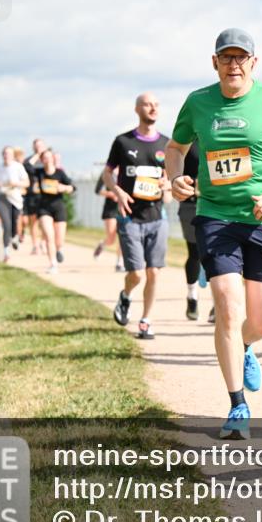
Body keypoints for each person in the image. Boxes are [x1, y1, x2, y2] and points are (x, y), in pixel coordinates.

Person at [167, 27, 262, 440]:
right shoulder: (198, 102)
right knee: (228, 307)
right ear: (214, 62)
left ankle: (246, 345)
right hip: (216, 217)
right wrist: (175, 178)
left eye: (241, 57)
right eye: (226, 57)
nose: (233, 64)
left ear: (253, 63)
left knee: (261, 321)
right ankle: (237, 405)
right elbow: (176, 149)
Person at [105, 93, 172, 340]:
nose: (153, 107)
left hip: (157, 216)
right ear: (137, 109)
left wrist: (168, 184)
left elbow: (172, 177)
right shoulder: (123, 142)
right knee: (137, 273)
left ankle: (146, 320)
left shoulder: (166, 144)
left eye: (156, 104)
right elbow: (107, 174)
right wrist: (118, 192)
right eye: (147, 104)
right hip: (130, 217)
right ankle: (126, 295)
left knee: (154, 272)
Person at [176, 139, 203, 320]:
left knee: (221, 255)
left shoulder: (227, 135)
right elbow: (174, 170)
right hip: (191, 206)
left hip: (222, 205)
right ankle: (192, 295)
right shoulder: (187, 143)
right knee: (195, 254)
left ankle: (219, 306)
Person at [35, 149, 74, 273]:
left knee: (59, 239)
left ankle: (59, 249)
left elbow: (72, 187)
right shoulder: (39, 172)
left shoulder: (60, 173)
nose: (47, 160)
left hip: (59, 207)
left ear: (53, 159)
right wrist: (37, 152)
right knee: (48, 236)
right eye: (44, 158)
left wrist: (65, 188)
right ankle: (53, 264)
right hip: (44, 208)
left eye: (49, 157)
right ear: (41, 160)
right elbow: (27, 166)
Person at [0, 146, 29, 263]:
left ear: (13, 155)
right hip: (2, 197)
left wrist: (16, 183)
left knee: (14, 222)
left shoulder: (18, 167)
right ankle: (6, 252)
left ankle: (14, 237)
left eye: (8, 153)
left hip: (15, 197)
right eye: (4, 153)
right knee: (6, 224)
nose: (6, 156)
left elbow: (26, 182)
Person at [93, 174, 125, 272]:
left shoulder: (128, 167)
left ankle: (119, 263)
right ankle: (102, 244)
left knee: (122, 235)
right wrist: (111, 194)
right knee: (111, 239)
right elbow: (97, 190)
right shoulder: (107, 173)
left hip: (123, 207)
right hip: (110, 209)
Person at [23, 139, 47, 255]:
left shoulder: (47, 159)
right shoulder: (30, 160)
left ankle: (43, 242)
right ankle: (35, 245)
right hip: (33, 194)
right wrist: (37, 155)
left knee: (45, 221)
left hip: (45, 195)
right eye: (36, 147)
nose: (39, 148)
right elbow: (26, 166)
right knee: (33, 221)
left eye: (40, 146)